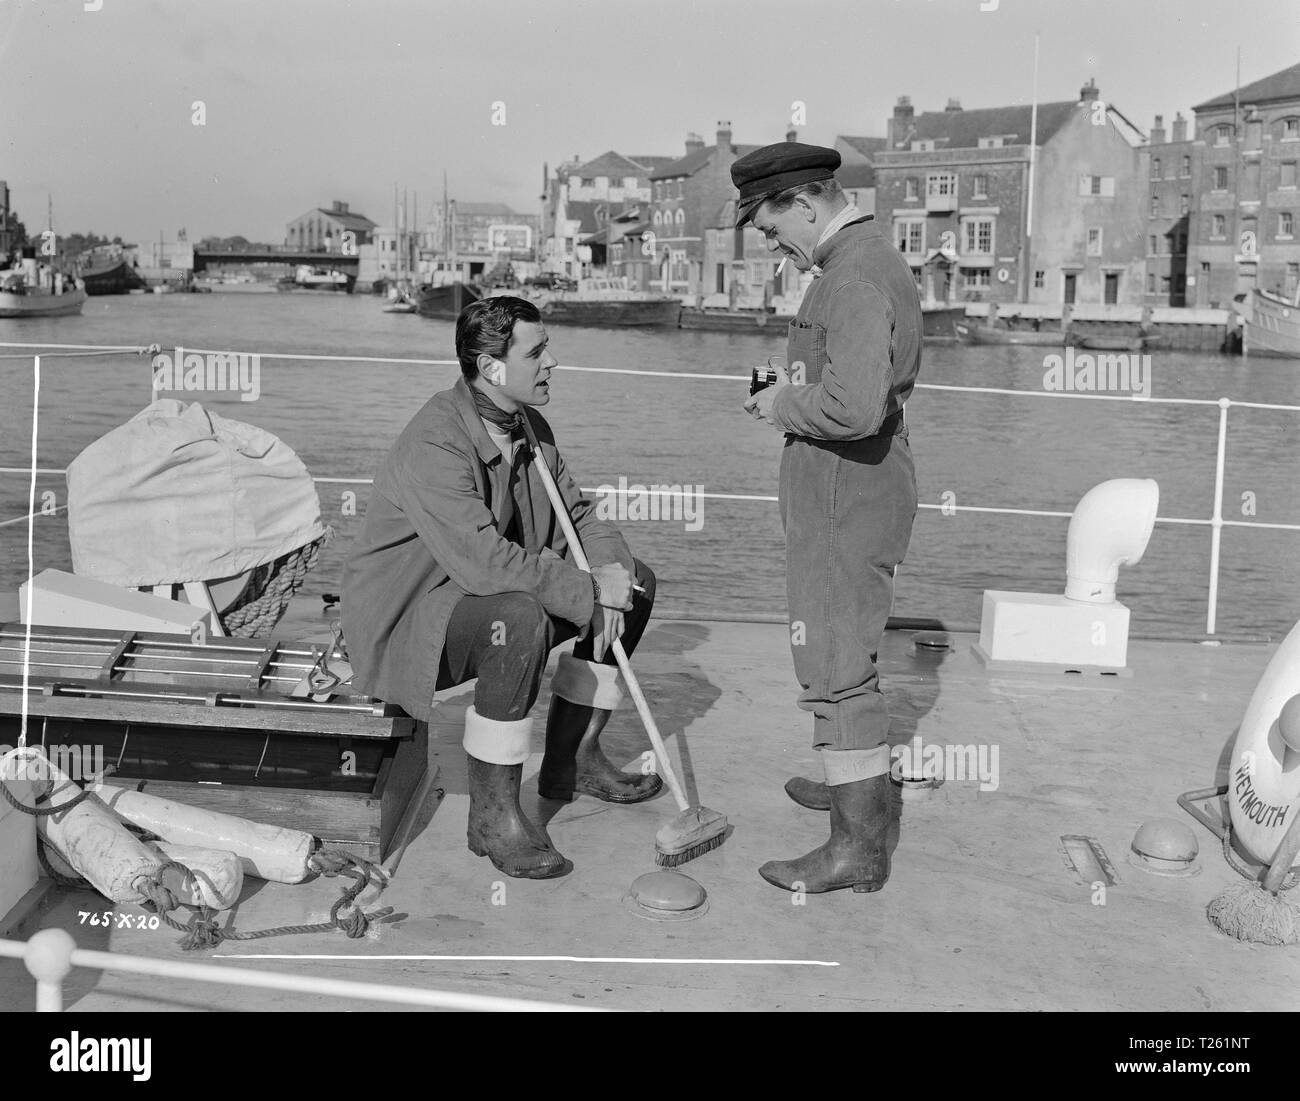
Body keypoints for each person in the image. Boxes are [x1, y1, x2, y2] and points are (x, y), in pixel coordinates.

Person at [341, 296, 661, 880]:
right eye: (536, 352)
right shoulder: (434, 441)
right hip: (409, 621)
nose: (552, 362)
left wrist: (612, 573)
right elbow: (486, 564)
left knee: (635, 583)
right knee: (518, 618)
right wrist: (590, 594)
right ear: (491, 368)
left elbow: (578, 517)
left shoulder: (528, 425)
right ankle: (492, 818)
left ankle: (573, 761)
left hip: (473, 600)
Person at [735, 142, 921, 895]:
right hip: (847, 484)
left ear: (805, 205)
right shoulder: (862, 261)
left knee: (840, 667)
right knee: (833, 651)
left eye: (771, 224)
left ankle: (857, 846)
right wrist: (794, 381)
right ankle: (854, 785)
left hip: (847, 488)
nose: (769, 240)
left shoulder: (852, 278)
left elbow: (851, 407)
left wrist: (778, 401)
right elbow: (850, 381)